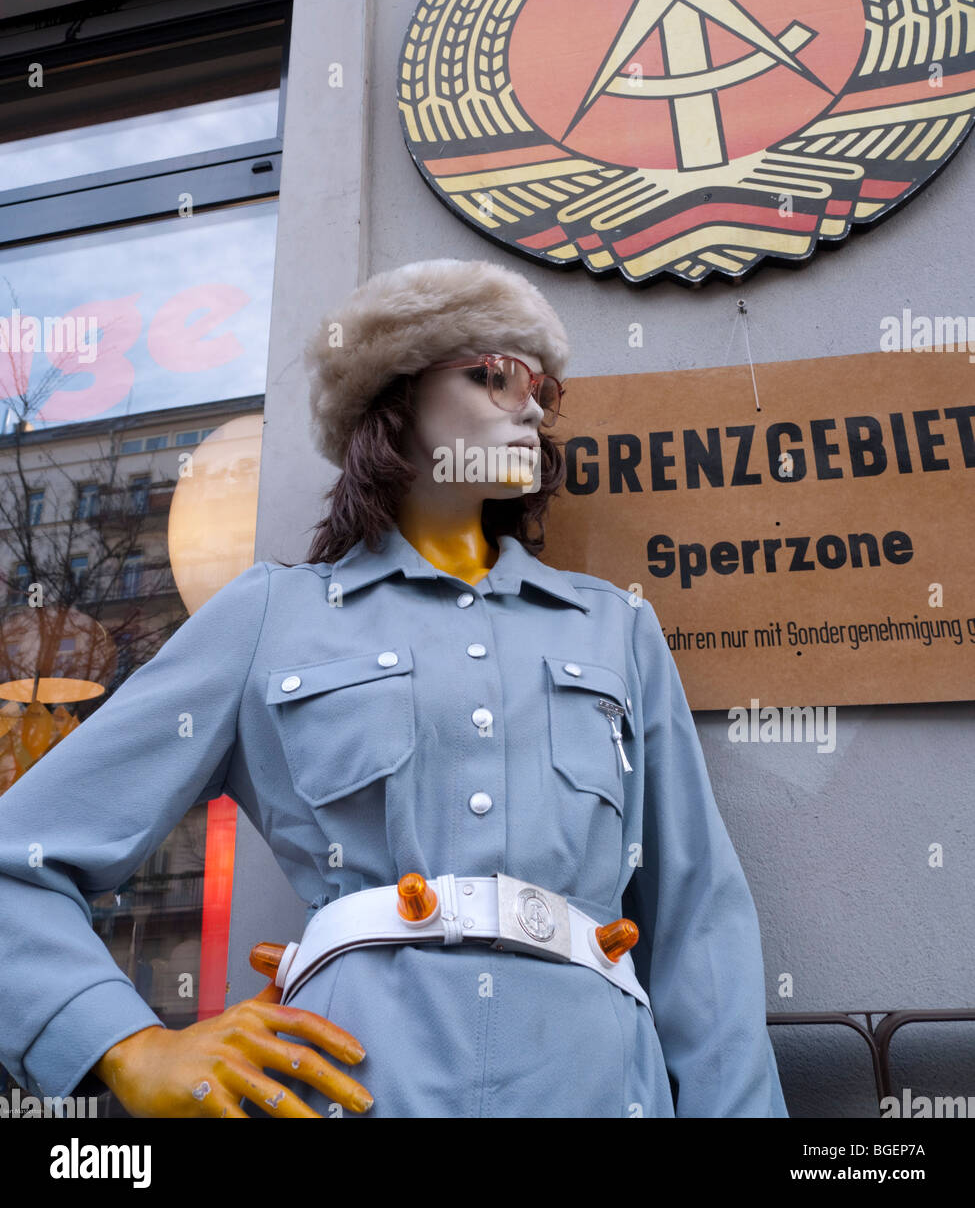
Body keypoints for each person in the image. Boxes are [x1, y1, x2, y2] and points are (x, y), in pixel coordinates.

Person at [0, 258, 787, 1118]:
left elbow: (696, 917)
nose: (529, 404)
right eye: (494, 375)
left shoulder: (614, 628)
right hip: (354, 1087)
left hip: (597, 1085)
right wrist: (124, 1043)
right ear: (397, 399)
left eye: (543, 389)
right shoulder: (272, 617)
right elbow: (19, 863)